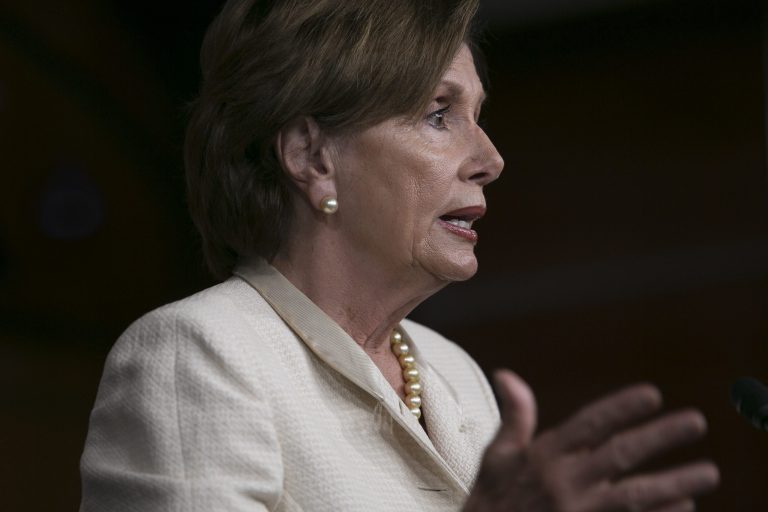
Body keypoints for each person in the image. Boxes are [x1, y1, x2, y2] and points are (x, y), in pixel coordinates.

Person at [79, 0, 720, 510]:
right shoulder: (195, 356)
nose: (491, 161)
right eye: (440, 114)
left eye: (478, 114)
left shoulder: (458, 378)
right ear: (312, 156)